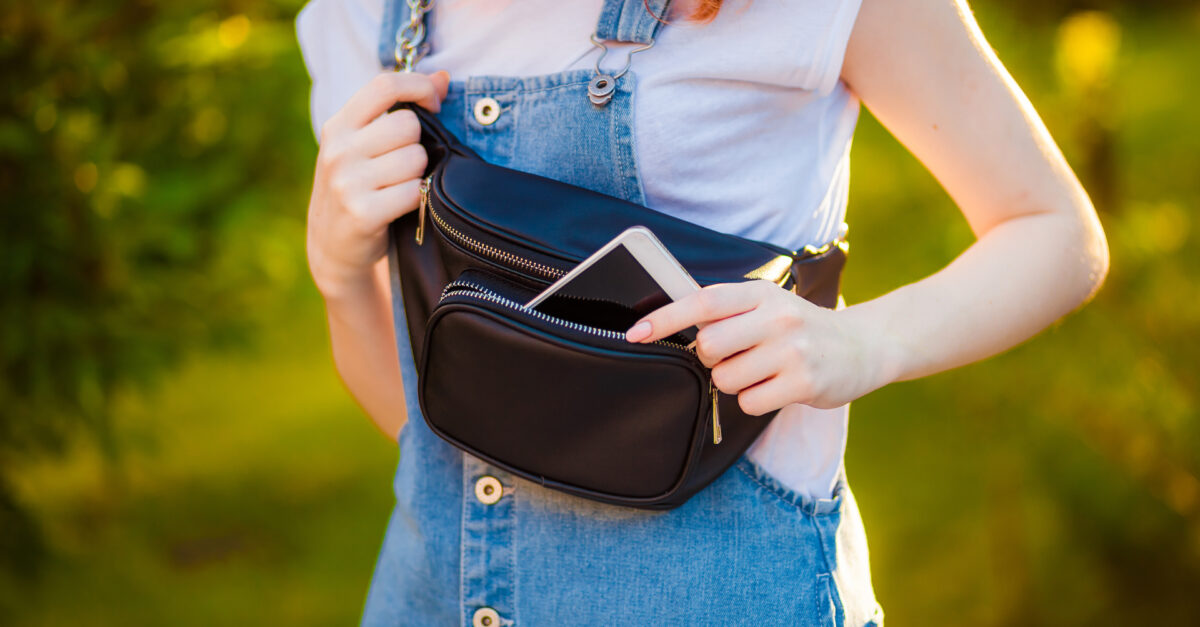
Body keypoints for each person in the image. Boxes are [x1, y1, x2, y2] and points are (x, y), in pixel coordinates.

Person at [297, 0, 1108, 624]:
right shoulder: (366, 18)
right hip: (430, 595)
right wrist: (338, 273)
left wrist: (865, 342)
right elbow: (427, 431)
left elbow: (1054, 230)